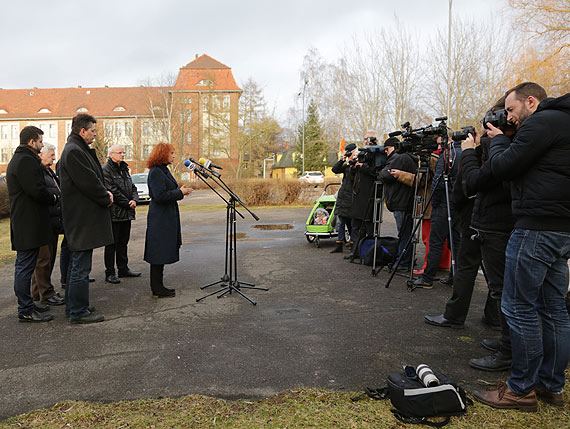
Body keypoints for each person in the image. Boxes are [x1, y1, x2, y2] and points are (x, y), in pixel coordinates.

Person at [473, 82, 570, 411]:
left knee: (518, 307)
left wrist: (498, 139)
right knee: (554, 310)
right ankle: (550, 386)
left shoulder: (542, 122)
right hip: (561, 229)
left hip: (536, 228)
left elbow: (503, 167)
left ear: (531, 101)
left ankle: (521, 389)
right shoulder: (563, 122)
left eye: (512, 110)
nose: (510, 117)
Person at [59, 114, 114, 324]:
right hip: (81, 218)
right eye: (92, 131)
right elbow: (89, 182)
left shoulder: (75, 149)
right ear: (82, 131)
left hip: (80, 217)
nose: (95, 135)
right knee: (80, 267)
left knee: (78, 265)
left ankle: (74, 306)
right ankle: (78, 311)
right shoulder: (74, 151)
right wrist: (105, 196)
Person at [6, 126, 58, 322]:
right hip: (28, 223)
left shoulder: (22, 159)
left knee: (27, 265)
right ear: (31, 142)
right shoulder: (26, 161)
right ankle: (26, 309)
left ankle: (28, 304)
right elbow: (36, 190)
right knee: (25, 266)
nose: (42, 144)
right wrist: (52, 197)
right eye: (40, 141)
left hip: (28, 222)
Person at [144, 143, 193, 298]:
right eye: (171, 153)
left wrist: (179, 191)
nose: (174, 156)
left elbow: (167, 190)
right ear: (162, 154)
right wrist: (179, 192)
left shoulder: (163, 170)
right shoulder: (156, 172)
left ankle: (159, 287)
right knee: (158, 252)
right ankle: (157, 289)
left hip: (166, 215)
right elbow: (159, 196)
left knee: (162, 251)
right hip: (160, 217)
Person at [412, 137, 462, 288]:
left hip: (443, 204)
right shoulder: (465, 153)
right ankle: (455, 277)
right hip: (458, 204)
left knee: (436, 242)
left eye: (441, 143)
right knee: (456, 243)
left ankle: (427, 278)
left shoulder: (446, 155)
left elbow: (438, 182)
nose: (440, 147)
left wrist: (434, 203)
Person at [31, 143, 65, 306]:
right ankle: (46, 293)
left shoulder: (48, 171)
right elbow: (42, 195)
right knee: (43, 259)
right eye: (51, 154)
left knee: (46, 258)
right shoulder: (38, 172)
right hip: (43, 222)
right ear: (41, 154)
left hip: (51, 222)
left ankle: (37, 293)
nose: (54, 157)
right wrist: (54, 198)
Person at [102, 144, 141, 284]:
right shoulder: (106, 170)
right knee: (111, 244)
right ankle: (110, 272)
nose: (123, 155)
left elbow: (133, 187)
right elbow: (112, 190)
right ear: (111, 154)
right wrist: (128, 202)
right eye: (120, 152)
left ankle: (123, 269)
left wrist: (135, 199)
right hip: (114, 212)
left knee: (123, 242)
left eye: (124, 152)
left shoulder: (125, 169)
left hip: (127, 212)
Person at [378, 137, 417, 270]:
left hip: (402, 202)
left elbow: (385, 175)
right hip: (403, 201)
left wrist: (382, 170)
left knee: (404, 233)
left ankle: (404, 262)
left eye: (387, 149)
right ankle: (404, 260)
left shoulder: (399, 158)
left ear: (394, 147)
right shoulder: (404, 157)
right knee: (405, 232)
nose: (386, 152)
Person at [345, 132, 378, 262]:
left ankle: (368, 253)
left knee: (368, 227)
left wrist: (362, 166)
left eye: (368, 140)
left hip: (368, 196)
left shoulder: (376, 155)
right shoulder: (362, 154)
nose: (366, 142)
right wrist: (354, 167)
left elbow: (375, 172)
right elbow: (352, 176)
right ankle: (355, 252)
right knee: (355, 226)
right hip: (357, 196)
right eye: (365, 140)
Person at [330, 143, 356, 253]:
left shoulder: (355, 165)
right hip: (342, 196)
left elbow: (353, 174)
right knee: (340, 223)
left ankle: (352, 243)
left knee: (351, 222)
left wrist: (353, 162)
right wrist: (342, 159)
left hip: (351, 197)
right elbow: (335, 170)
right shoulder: (345, 166)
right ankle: (339, 243)